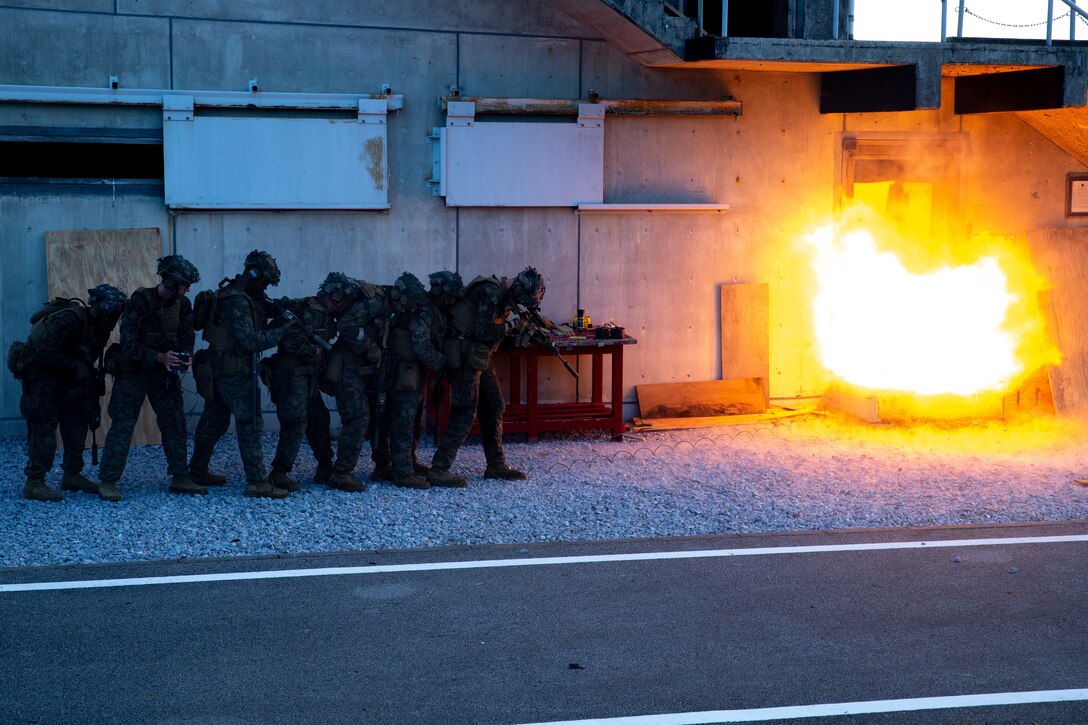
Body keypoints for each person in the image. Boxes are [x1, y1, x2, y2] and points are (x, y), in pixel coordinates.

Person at [188, 249, 294, 499]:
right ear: (254, 274)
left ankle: (197, 470)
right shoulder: (236, 301)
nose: (265, 287)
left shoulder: (237, 293)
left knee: (214, 420)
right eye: (265, 281)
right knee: (250, 423)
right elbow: (251, 341)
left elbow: (261, 310)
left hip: (221, 369)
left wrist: (282, 308)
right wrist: (283, 331)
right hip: (234, 372)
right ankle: (257, 482)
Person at [97, 255, 204, 501]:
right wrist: (159, 357)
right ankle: (108, 481)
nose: (188, 289)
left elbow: (187, 337)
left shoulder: (183, 305)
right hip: (135, 372)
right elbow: (129, 345)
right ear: (173, 281)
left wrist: (184, 357)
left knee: (175, 423)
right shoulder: (140, 302)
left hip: (163, 375)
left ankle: (180, 476)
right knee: (123, 425)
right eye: (185, 284)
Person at [429, 266, 545, 483]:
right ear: (518, 288)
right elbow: (483, 331)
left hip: (478, 355)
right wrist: (513, 326)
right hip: (465, 355)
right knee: (464, 411)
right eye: (522, 299)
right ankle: (439, 469)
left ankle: (496, 464)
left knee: (493, 405)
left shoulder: (500, 296)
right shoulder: (491, 292)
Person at [13, 284, 126, 501]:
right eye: (110, 312)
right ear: (97, 309)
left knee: (77, 423)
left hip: (68, 380)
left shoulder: (99, 326)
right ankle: (34, 481)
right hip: (43, 379)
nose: (113, 318)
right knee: (44, 429)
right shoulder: (69, 320)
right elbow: (43, 352)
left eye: (116, 313)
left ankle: (72, 474)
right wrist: (75, 366)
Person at [266, 272, 357, 493]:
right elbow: (290, 340)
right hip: (292, 375)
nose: (344, 304)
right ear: (334, 296)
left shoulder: (321, 313)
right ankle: (279, 472)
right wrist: (314, 350)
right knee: (295, 423)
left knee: (318, 418)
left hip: (305, 376)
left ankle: (325, 465)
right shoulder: (314, 313)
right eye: (343, 299)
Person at [321, 277, 394, 488]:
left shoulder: (387, 305)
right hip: (347, 368)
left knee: (375, 415)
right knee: (358, 418)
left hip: (361, 368)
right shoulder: (376, 303)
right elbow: (346, 325)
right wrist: (370, 347)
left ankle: (381, 466)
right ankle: (342, 472)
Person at [386, 272, 446, 490]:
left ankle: (408, 462)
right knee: (404, 421)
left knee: (414, 420)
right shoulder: (419, 314)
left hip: (408, 372)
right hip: (405, 373)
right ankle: (403, 472)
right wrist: (440, 362)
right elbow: (421, 347)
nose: (397, 304)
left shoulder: (413, 311)